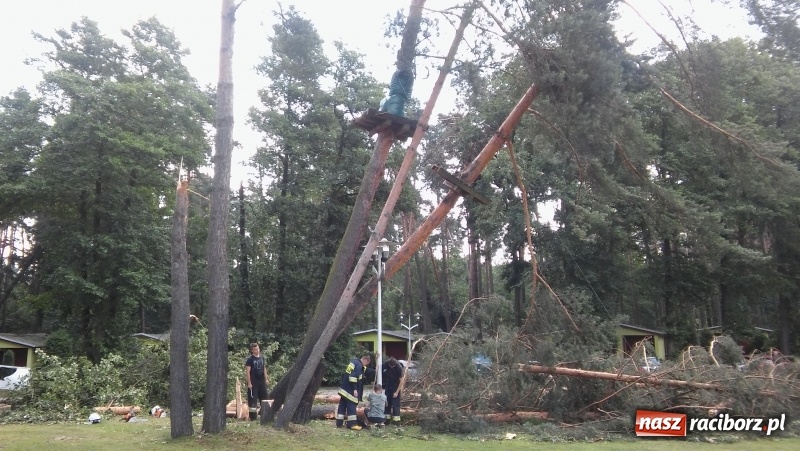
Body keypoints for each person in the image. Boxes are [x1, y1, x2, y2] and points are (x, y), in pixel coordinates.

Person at [336, 354, 370, 430]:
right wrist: (355, 389)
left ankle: (339, 423)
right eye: (366, 364)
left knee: (342, 405)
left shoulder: (354, 362)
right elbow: (352, 377)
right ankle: (352, 424)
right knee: (351, 406)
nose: (365, 366)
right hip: (350, 390)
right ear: (365, 361)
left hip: (344, 389)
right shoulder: (359, 365)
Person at [244, 342, 270, 421]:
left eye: (258, 348)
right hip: (253, 381)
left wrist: (266, 378)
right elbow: (248, 372)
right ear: (252, 350)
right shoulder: (250, 359)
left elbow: (264, 368)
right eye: (255, 349)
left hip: (261, 380)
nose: (257, 350)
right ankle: (253, 418)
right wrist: (249, 383)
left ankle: (265, 416)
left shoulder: (262, 358)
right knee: (253, 400)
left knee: (265, 398)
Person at [382, 357, 404, 425]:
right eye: (390, 366)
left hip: (396, 387)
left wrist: (397, 392)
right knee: (387, 403)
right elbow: (380, 368)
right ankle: (386, 420)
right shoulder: (386, 363)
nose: (391, 367)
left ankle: (396, 422)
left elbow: (401, 381)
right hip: (388, 386)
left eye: (393, 366)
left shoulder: (399, 368)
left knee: (395, 405)